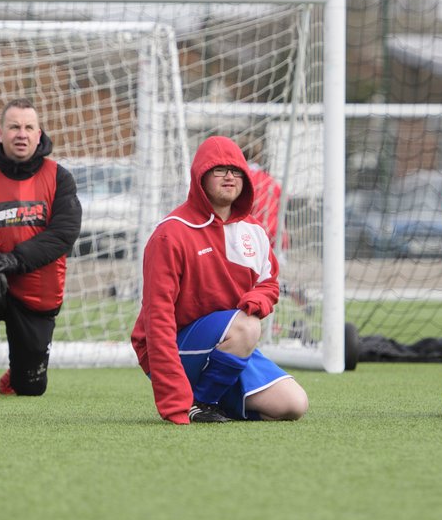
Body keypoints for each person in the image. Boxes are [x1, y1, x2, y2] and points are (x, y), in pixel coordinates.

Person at [130, 135, 309, 424]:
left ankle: (215, 397)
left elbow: (269, 283)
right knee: (247, 327)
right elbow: (158, 316)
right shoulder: (171, 233)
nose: (229, 176)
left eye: (236, 170)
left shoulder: (253, 231)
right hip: (174, 345)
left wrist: (259, 299)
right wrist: (173, 398)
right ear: (200, 177)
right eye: (219, 170)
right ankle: (199, 401)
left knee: (293, 405)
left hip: (227, 343)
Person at [0, 99, 81, 399]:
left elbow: (62, 235)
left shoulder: (60, 178)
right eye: (14, 127)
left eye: (29, 127)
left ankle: (18, 372)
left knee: (31, 388)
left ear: (39, 134)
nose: (21, 134)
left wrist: (11, 261)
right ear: (0, 133)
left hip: (37, 291)